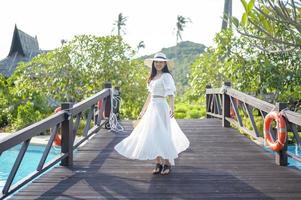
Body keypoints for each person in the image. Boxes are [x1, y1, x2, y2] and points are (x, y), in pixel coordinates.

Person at [114, 52, 190, 175]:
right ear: (153, 63)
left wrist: (172, 107)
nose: (158, 64)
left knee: (164, 134)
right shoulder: (152, 77)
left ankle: (167, 163)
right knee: (153, 135)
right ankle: (158, 163)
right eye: (156, 62)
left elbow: (171, 94)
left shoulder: (166, 76)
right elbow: (150, 95)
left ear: (165, 63)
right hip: (152, 108)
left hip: (162, 107)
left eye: (161, 62)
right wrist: (143, 110)